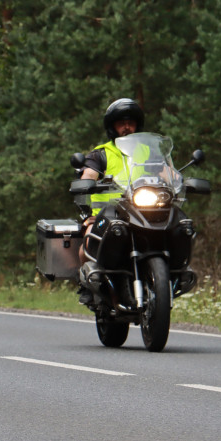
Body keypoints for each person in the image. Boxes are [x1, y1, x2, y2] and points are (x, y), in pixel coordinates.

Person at [75, 98, 145, 305]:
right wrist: (86, 185)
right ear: (112, 126)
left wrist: (178, 180)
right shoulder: (101, 154)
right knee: (89, 238)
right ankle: (87, 283)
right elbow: (88, 175)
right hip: (106, 214)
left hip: (142, 211)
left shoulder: (147, 151)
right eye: (121, 122)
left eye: (131, 122)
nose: (127, 127)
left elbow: (166, 173)